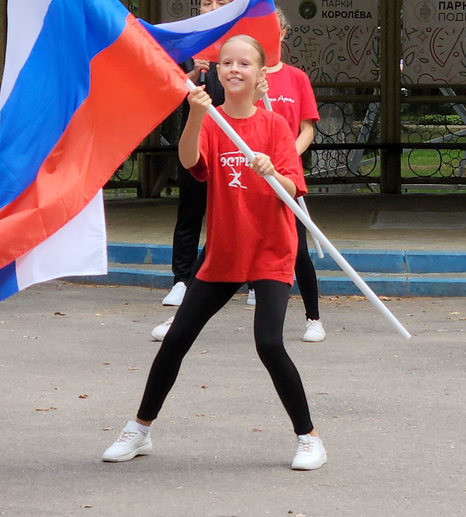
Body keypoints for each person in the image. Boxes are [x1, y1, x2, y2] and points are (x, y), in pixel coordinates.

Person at [104, 35, 326, 470]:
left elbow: (292, 186)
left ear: (260, 74)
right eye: (227, 63)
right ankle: (140, 430)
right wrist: (195, 114)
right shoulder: (212, 121)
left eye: (244, 63)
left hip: (269, 250)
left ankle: (309, 438)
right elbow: (191, 162)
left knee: (268, 343)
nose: (234, 69)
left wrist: (269, 170)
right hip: (223, 253)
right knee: (175, 340)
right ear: (218, 71)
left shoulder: (275, 126)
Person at [153, 0, 229, 340]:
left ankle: (250, 282)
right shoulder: (186, 47)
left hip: (232, 141)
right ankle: (182, 280)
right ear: (198, 9)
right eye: (207, 3)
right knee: (190, 211)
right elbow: (170, 93)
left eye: (220, 3)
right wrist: (195, 75)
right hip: (196, 140)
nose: (213, 8)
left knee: (235, 209)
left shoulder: (237, 46)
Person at [257, 8, 325, 342]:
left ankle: (314, 317)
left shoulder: (296, 78)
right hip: (251, 172)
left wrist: (285, 158)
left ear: (284, 33)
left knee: (296, 247)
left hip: (285, 174)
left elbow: (307, 129)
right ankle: (182, 317)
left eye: (275, 29)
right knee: (219, 244)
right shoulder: (250, 77)